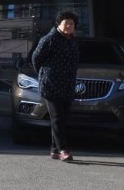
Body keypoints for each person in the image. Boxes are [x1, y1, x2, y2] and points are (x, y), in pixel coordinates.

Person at [31, 11, 80, 162]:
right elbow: (36, 58)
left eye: (72, 23)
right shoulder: (49, 39)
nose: (69, 26)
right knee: (57, 118)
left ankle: (54, 149)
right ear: (59, 24)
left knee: (62, 119)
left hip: (67, 85)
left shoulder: (72, 41)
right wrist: (44, 75)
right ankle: (63, 150)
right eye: (66, 23)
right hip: (51, 85)